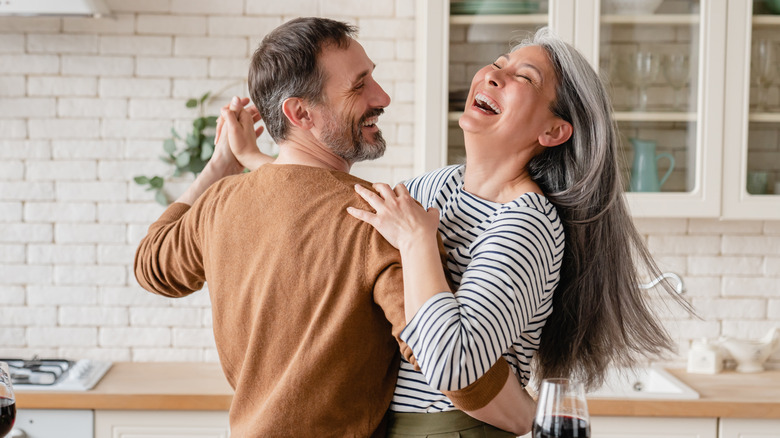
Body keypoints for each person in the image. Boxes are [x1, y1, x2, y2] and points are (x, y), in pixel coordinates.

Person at [225, 26, 691, 436]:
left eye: (524, 78)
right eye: (499, 64)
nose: (492, 75)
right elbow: (345, 215)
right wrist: (256, 160)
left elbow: (455, 365)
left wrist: (417, 243)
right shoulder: (438, 186)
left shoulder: (527, 223)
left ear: (552, 131)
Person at [135, 17, 529, 437]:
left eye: (372, 76)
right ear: (300, 112)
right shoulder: (377, 220)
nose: (383, 96)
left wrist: (220, 165)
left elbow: (152, 266)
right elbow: (449, 365)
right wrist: (539, 418)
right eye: (359, 86)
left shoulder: (219, 202)